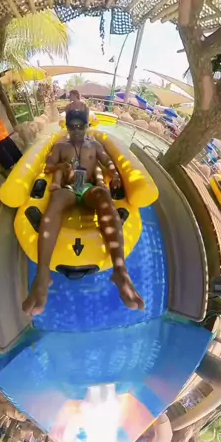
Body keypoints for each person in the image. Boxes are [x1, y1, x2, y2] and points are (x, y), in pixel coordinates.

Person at [22, 108, 144, 316]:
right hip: (69, 189)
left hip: (88, 189)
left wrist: (115, 175)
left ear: (87, 126)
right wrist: (60, 166)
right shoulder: (61, 146)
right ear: (67, 127)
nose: (77, 130)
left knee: (104, 196)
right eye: (72, 127)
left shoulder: (94, 146)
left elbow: (107, 161)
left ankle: (120, 271)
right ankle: (42, 276)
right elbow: (48, 167)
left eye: (81, 126)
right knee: (56, 198)